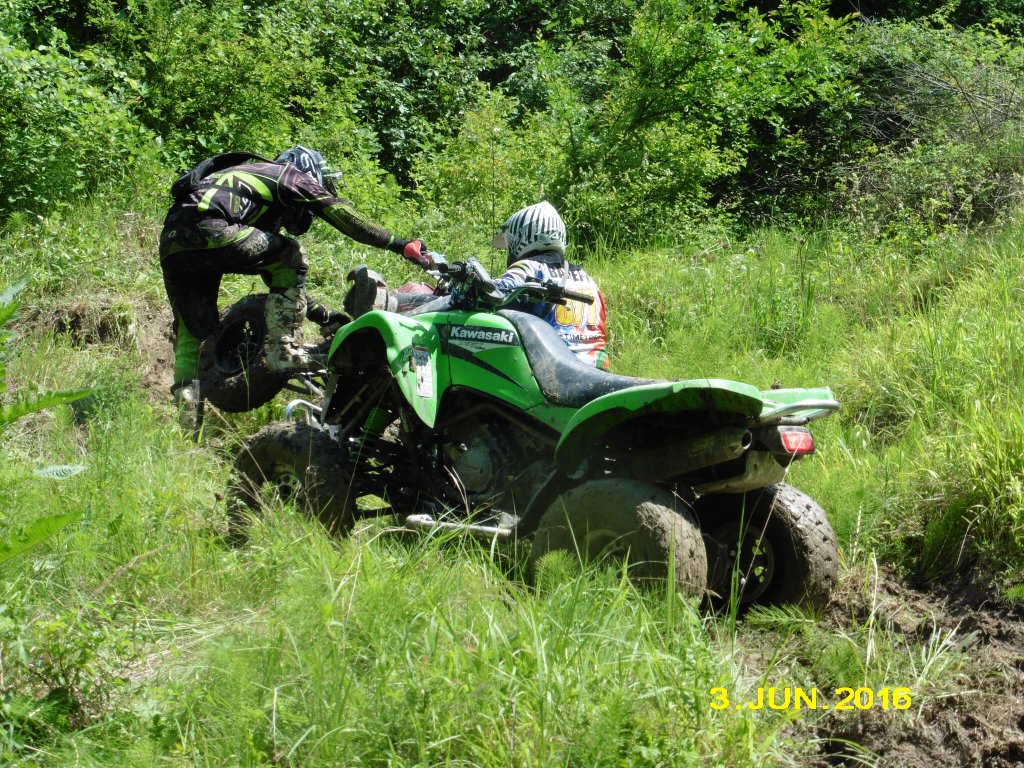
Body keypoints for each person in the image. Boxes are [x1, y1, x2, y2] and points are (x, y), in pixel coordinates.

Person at [158, 146, 432, 409]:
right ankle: (283, 350)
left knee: (191, 333)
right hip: (213, 228)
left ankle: (186, 416)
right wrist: (400, 244)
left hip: (173, 243)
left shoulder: (246, 185)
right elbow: (341, 215)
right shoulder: (288, 174)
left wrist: (322, 315)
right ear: (309, 171)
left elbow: (275, 274)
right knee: (292, 253)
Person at [345, 201, 609, 369]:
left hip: (549, 367)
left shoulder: (529, 268)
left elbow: (488, 294)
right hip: (592, 368)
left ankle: (388, 306)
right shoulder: (588, 280)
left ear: (522, 238)